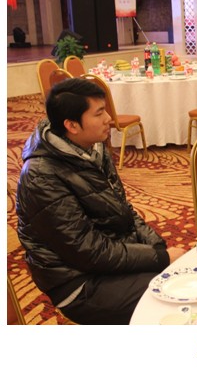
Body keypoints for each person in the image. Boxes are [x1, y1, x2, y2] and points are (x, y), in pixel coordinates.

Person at [16, 78, 186, 324]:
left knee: (182, 276)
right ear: (72, 125)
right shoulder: (41, 176)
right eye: (99, 113)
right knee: (172, 296)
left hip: (108, 261)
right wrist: (160, 258)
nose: (108, 118)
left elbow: (123, 210)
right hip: (77, 282)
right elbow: (88, 251)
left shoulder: (92, 148)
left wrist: (158, 248)